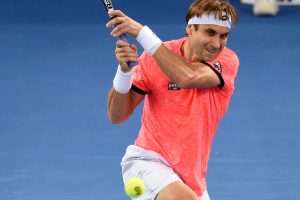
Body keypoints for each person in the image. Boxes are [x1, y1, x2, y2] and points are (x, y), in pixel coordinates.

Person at [106, 0, 239, 199]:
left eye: (224, 36)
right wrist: (124, 73)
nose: (216, 44)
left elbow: (187, 77)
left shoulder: (226, 61)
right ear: (190, 28)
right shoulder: (154, 58)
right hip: (147, 162)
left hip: (191, 179)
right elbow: (117, 116)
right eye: (209, 32)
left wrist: (143, 34)